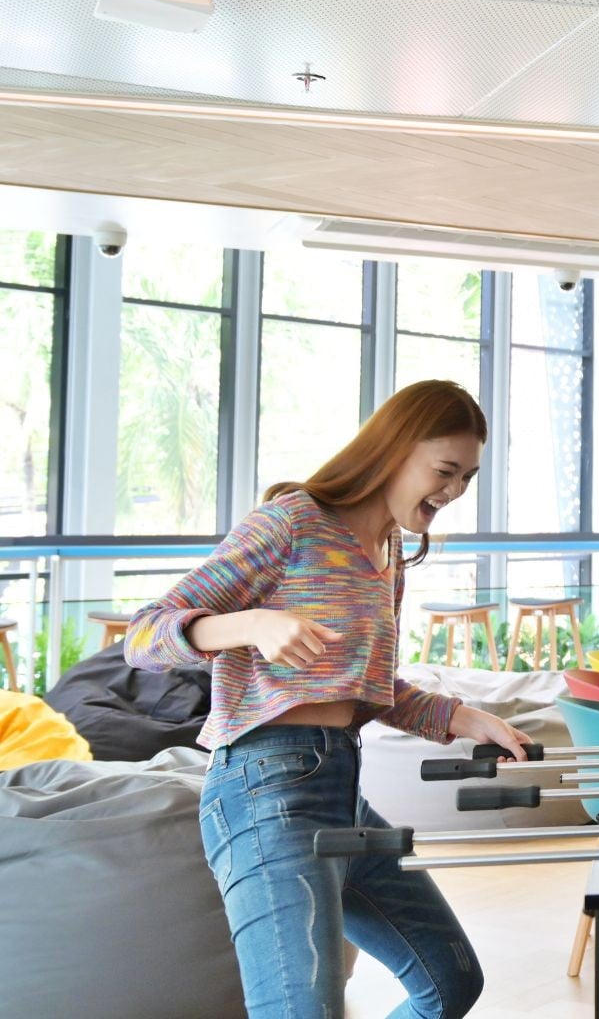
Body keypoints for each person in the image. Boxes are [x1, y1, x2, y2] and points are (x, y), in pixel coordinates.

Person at [125, 380, 530, 1019]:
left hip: (342, 790)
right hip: (264, 790)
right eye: (445, 470)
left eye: (467, 477)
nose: (454, 491)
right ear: (393, 451)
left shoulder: (391, 553)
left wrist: (460, 717)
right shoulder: (292, 523)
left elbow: (368, 687)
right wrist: (250, 624)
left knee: (450, 981)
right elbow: (143, 636)